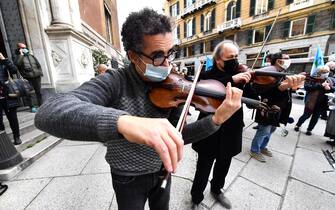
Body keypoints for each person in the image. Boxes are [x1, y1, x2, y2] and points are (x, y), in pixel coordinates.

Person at [34, 8, 243, 210]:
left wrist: (216, 119)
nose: (167, 65)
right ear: (134, 56)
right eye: (158, 56)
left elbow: (179, 135)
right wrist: (124, 122)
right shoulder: (114, 82)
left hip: (163, 170)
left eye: (170, 53)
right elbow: (49, 111)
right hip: (127, 177)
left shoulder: (175, 87)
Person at [190, 40, 256, 210]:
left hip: (232, 128)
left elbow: (252, 101)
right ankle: (196, 197)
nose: (235, 61)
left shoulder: (241, 74)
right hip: (209, 129)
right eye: (230, 57)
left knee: (224, 164)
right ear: (218, 60)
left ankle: (217, 189)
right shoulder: (206, 74)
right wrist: (232, 79)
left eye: (236, 56)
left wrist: (249, 83)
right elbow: (207, 88)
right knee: (203, 167)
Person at [250, 53, 305, 162]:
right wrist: (281, 87)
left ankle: (262, 147)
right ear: (278, 61)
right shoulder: (268, 72)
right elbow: (264, 91)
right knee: (263, 130)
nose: (289, 60)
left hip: (277, 108)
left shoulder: (282, 73)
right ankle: (254, 150)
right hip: (267, 108)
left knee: (272, 129)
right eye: (286, 58)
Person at [294, 65, 331, 136]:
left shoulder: (328, 80)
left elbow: (332, 89)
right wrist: (320, 86)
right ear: (320, 72)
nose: (326, 73)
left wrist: (329, 88)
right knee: (306, 115)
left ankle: (309, 129)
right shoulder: (311, 78)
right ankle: (298, 125)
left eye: (327, 72)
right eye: (324, 72)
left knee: (315, 118)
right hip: (311, 101)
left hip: (321, 103)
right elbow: (307, 87)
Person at [14, 43, 43, 112]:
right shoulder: (17, 57)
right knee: (29, 93)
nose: (25, 49)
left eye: (25, 47)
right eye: (22, 48)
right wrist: (21, 55)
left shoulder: (31, 56)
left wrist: (39, 72)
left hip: (37, 76)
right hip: (27, 78)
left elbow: (38, 65)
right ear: (19, 49)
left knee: (39, 92)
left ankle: (41, 106)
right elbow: (17, 64)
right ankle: (32, 107)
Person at [0, 52, 21, 145]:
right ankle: (4, 140)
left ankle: (17, 136)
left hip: (8, 95)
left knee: (12, 118)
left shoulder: (4, 63)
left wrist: (4, 59)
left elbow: (14, 70)